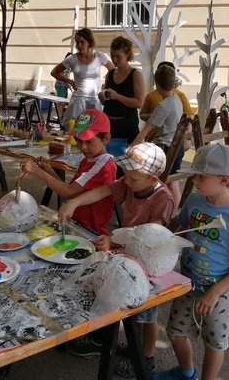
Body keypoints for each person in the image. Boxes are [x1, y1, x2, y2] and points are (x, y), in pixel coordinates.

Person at [57, 143, 174, 376]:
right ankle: (133, 345)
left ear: (152, 178)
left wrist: (115, 242)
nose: (126, 183)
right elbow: (104, 190)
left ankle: (146, 358)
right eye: (126, 177)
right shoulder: (132, 182)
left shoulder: (163, 200)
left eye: (132, 179)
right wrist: (74, 201)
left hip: (147, 263)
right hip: (127, 254)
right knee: (126, 305)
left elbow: (147, 240)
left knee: (147, 315)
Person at [153, 144, 229, 380]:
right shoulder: (195, 200)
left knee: (214, 344)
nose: (195, 180)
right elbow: (180, 228)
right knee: (176, 333)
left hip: (217, 292)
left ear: (224, 179)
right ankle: (186, 372)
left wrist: (216, 292)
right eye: (195, 175)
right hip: (187, 283)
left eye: (202, 176)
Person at [20, 109, 117, 236]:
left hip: (92, 231)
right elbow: (71, 193)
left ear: (106, 138)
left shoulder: (104, 166)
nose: (82, 147)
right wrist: (48, 170)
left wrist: (36, 171)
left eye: (88, 141)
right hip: (77, 225)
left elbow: (68, 191)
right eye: (78, 140)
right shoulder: (88, 160)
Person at [130, 65, 188, 206]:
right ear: (174, 83)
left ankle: (159, 209)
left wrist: (131, 147)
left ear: (157, 84)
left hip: (165, 149)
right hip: (177, 146)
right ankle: (174, 213)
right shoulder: (177, 99)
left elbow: (146, 130)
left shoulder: (162, 106)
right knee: (173, 182)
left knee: (154, 182)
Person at [51, 28, 114, 128]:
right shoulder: (72, 59)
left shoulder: (99, 56)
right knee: (76, 129)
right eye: (77, 42)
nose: (79, 45)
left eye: (82, 42)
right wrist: (70, 81)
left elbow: (114, 71)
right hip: (78, 100)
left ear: (89, 42)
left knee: (94, 130)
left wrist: (106, 86)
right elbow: (54, 72)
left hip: (95, 100)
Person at [99, 36, 145, 145]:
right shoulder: (110, 74)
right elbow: (106, 101)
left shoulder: (135, 74)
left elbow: (139, 103)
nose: (114, 60)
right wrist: (102, 97)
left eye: (118, 57)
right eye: (112, 56)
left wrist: (117, 96)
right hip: (109, 126)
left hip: (127, 128)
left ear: (127, 54)